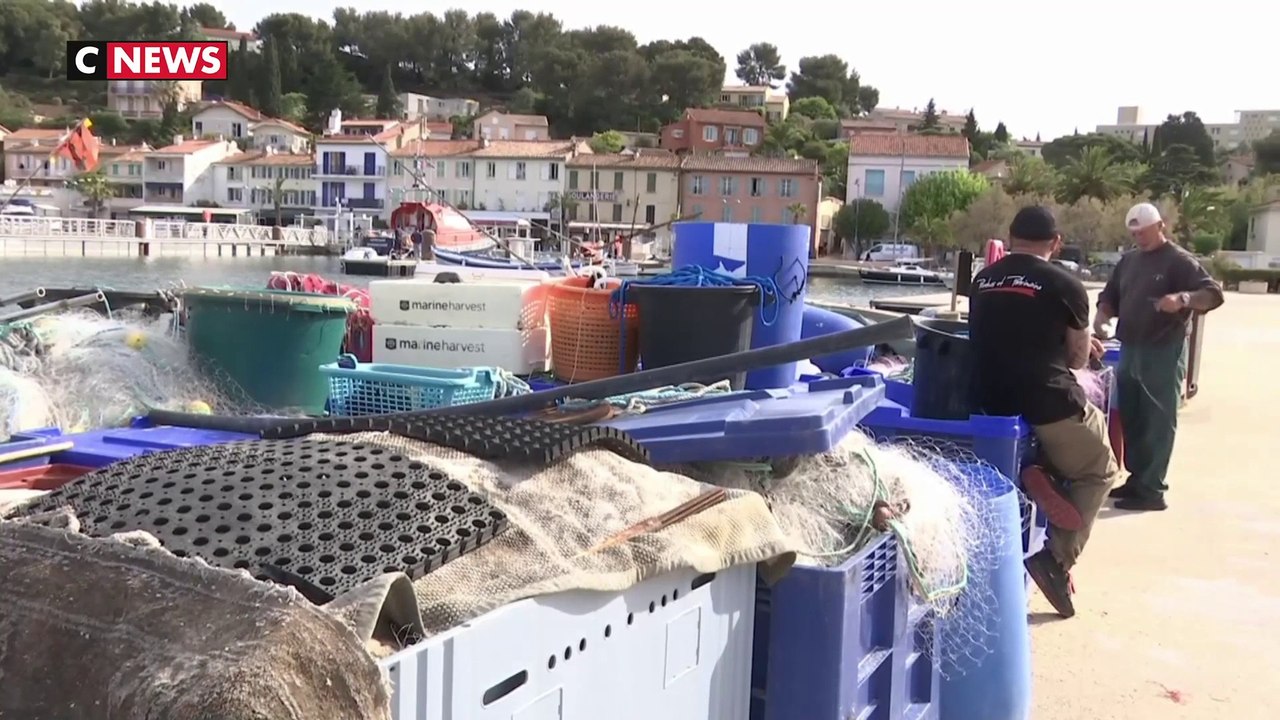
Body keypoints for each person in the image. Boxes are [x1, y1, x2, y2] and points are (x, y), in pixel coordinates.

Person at [969, 205, 1122, 619]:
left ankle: (1040, 468)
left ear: (1011, 235)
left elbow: (1004, 337)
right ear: (1055, 243)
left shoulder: (983, 280)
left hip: (989, 402)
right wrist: (1082, 343)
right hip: (1046, 402)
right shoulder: (1066, 283)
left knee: (1064, 450)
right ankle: (1056, 559)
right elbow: (1075, 359)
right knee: (1100, 468)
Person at [1094, 203, 1224, 512]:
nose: (1139, 237)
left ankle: (1153, 488)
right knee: (1133, 417)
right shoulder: (1128, 262)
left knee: (1158, 419)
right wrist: (1101, 317)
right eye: (1134, 233)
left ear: (1160, 227)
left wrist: (1183, 300)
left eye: (1144, 231)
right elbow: (1110, 295)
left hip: (1163, 349)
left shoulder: (1179, 261)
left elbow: (1213, 293)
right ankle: (1138, 478)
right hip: (1130, 346)